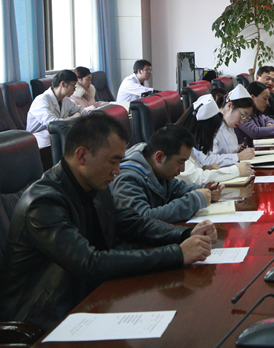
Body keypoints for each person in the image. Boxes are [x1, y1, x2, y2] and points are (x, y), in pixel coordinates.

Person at [0, 114, 216, 331]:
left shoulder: (92, 185)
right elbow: (90, 263)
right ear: (82, 156)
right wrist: (177, 254)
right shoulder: (42, 204)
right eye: (113, 161)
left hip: (89, 298)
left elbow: (134, 224)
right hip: (42, 321)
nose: (117, 171)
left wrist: (185, 235)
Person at [112, 124, 221, 223]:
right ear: (159, 157)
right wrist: (195, 200)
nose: (182, 169)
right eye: (180, 162)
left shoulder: (158, 169)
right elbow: (143, 219)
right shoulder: (126, 179)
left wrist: (205, 190)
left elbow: (178, 188)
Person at [175, 94, 254, 186]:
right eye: (214, 133)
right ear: (203, 128)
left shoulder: (187, 144)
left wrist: (205, 168)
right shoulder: (176, 146)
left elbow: (195, 172)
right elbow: (197, 179)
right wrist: (236, 170)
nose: (213, 136)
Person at [192, 85, 256, 168]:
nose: (242, 121)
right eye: (242, 115)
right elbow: (207, 161)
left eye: (245, 118)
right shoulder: (211, 125)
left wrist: (239, 150)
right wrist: (238, 156)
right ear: (229, 106)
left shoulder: (229, 123)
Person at [26, 70, 86, 148]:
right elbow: (53, 124)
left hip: (55, 137)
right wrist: (73, 118)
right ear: (63, 84)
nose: (74, 90)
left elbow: (81, 111)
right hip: (39, 139)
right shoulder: (41, 100)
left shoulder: (65, 100)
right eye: (73, 86)